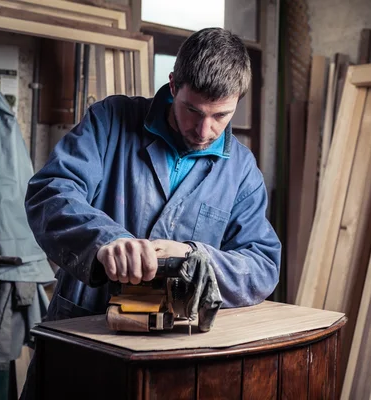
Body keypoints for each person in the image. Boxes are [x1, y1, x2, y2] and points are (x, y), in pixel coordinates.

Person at [24, 27, 281, 326]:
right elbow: (51, 193)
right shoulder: (109, 121)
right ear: (173, 86)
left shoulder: (242, 171)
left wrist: (193, 257)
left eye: (220, 115)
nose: (204, 130)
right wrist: (108, 241)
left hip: (179, 344)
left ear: (237, 101)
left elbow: (262, 266)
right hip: (88, 327)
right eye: (193, 111)